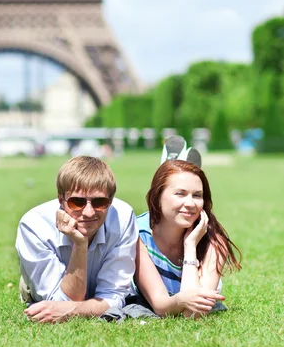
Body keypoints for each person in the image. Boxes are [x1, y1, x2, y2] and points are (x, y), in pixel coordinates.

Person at [16, 155, 138, 323]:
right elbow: (58, 301)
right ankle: (28, 283)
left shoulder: (122, 218)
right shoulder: (34, 225)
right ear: (61, 200)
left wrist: (74, 310)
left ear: (110, 201)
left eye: (99, 202)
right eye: (77, 202)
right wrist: (80, 244)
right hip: (52, 284)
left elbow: (113, 296)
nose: (88, 212)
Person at [133, 138, 241, 318]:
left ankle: (173, 168)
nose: (191, 203)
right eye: (180, 194)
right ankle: (171, 168)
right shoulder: (137, 236)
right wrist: (183, 301)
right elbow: (160, 305)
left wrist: (190, 246)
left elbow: (194, 314)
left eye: (197, 195)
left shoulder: (213, 241)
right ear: (157, 196)